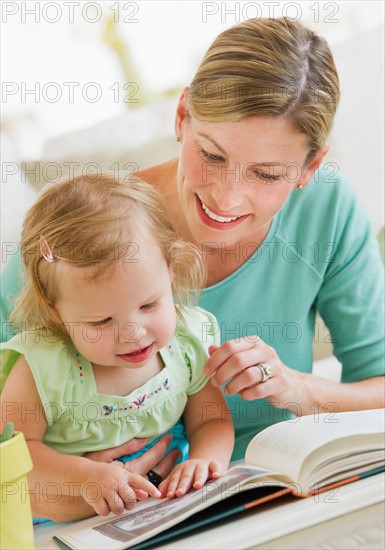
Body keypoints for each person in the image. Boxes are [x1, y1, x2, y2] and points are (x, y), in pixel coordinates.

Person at [1, 16, 384, 520]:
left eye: (267, 174)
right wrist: (68, 480)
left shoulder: (327, 212)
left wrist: (299, 390)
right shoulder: (78, 243)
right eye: (211, 154)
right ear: (182, 116)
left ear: (310, 168)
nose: (226, 198)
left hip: (257, 496)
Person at [0, 174, 234, 520]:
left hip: (163, 506)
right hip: (60, 521)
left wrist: (203, 461)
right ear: (55, 310)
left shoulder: (186, 343)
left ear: (170, 272)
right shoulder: (44, 367)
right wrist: (87, 477)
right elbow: (12, 452)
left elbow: (211, 421)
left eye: (149, 304)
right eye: (102, 322)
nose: (132, 333)